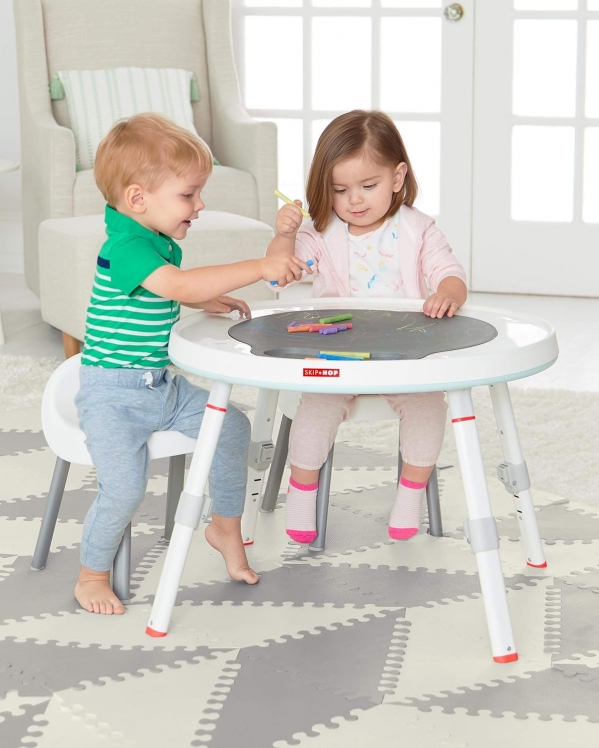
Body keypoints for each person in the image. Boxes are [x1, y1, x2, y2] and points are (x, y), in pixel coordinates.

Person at [75, 113, 309, 614]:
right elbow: (175, 284)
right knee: (124, 489)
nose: (200, 205)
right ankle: (91, 574)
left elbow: (162, 292)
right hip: (112, 396)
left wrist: (205, 301)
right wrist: (258, 267)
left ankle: (224, 525)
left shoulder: (153, 241)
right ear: (138, 198)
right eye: (189, 194)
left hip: (159, 387)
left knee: (232, 427)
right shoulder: (125, 245)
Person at [266, 110, 467, 544]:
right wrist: (284, 236)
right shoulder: (320, 233)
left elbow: (449, 272)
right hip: (337, 355)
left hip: (403, 358)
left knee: (429, 407)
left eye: (368, 186)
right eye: (340, 190)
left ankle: (409, 495)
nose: (354, 200)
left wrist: (448, 293)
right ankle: (301, 492)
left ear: (397, 177)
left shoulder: (417, 230)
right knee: (315, 408)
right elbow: (279, 275)